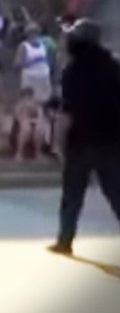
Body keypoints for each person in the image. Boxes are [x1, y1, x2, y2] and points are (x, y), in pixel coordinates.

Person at [48, 19, 120, 255]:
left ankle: (65, 241)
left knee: (72, 195)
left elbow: (66, 114)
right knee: (117, 194)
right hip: (111, 142)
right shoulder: (115, 67)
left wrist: (57, 143)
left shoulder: (73, 71)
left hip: (80, 143)